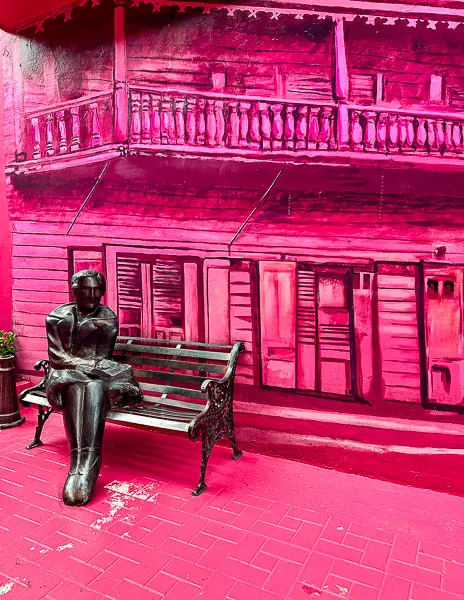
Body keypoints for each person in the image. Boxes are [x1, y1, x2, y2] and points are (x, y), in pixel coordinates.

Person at [45, 269, 142, 506]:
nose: (92, 295)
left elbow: (103, 356)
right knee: (80, 385)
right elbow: (57, 358)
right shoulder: (56, 318)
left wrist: (90, 367)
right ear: (74, 290)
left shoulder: (106, 318)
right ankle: (77, 463)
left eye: (97, 290)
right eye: (86, 290)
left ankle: (86, 464)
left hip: (97, 378)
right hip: (65, 375)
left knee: (92, 386)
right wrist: (86, 366)